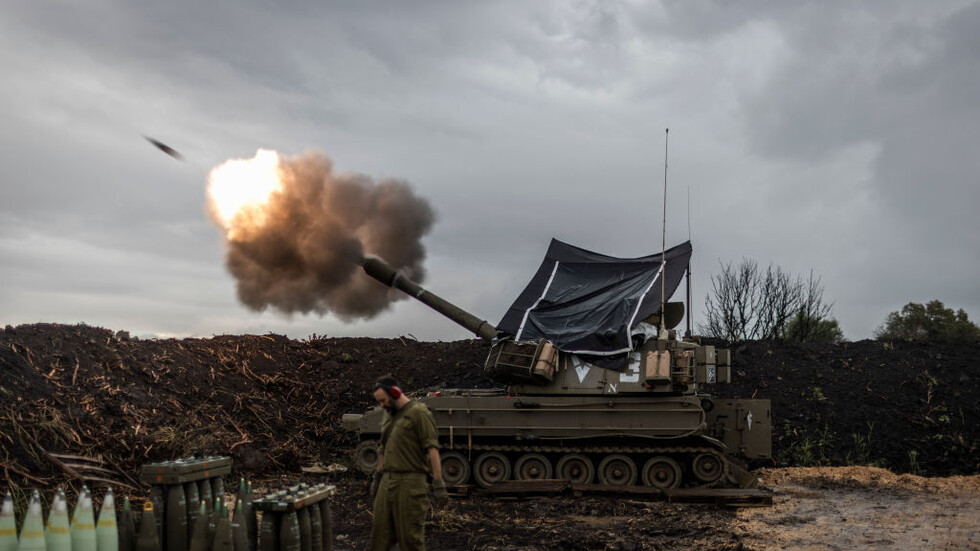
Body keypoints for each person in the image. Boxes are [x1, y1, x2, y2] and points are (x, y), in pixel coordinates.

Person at [369, 375, 448, 551]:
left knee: (410, 539)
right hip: (387, 481)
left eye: (383, 401)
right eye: (379, 402)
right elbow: (383, 447)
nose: (382, 405)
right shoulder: (389, 415)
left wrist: (438, 481)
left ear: (395, 393)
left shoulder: (419, 413)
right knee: (379, 537)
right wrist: (377, 476)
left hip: (410, 483)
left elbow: (432, 448)